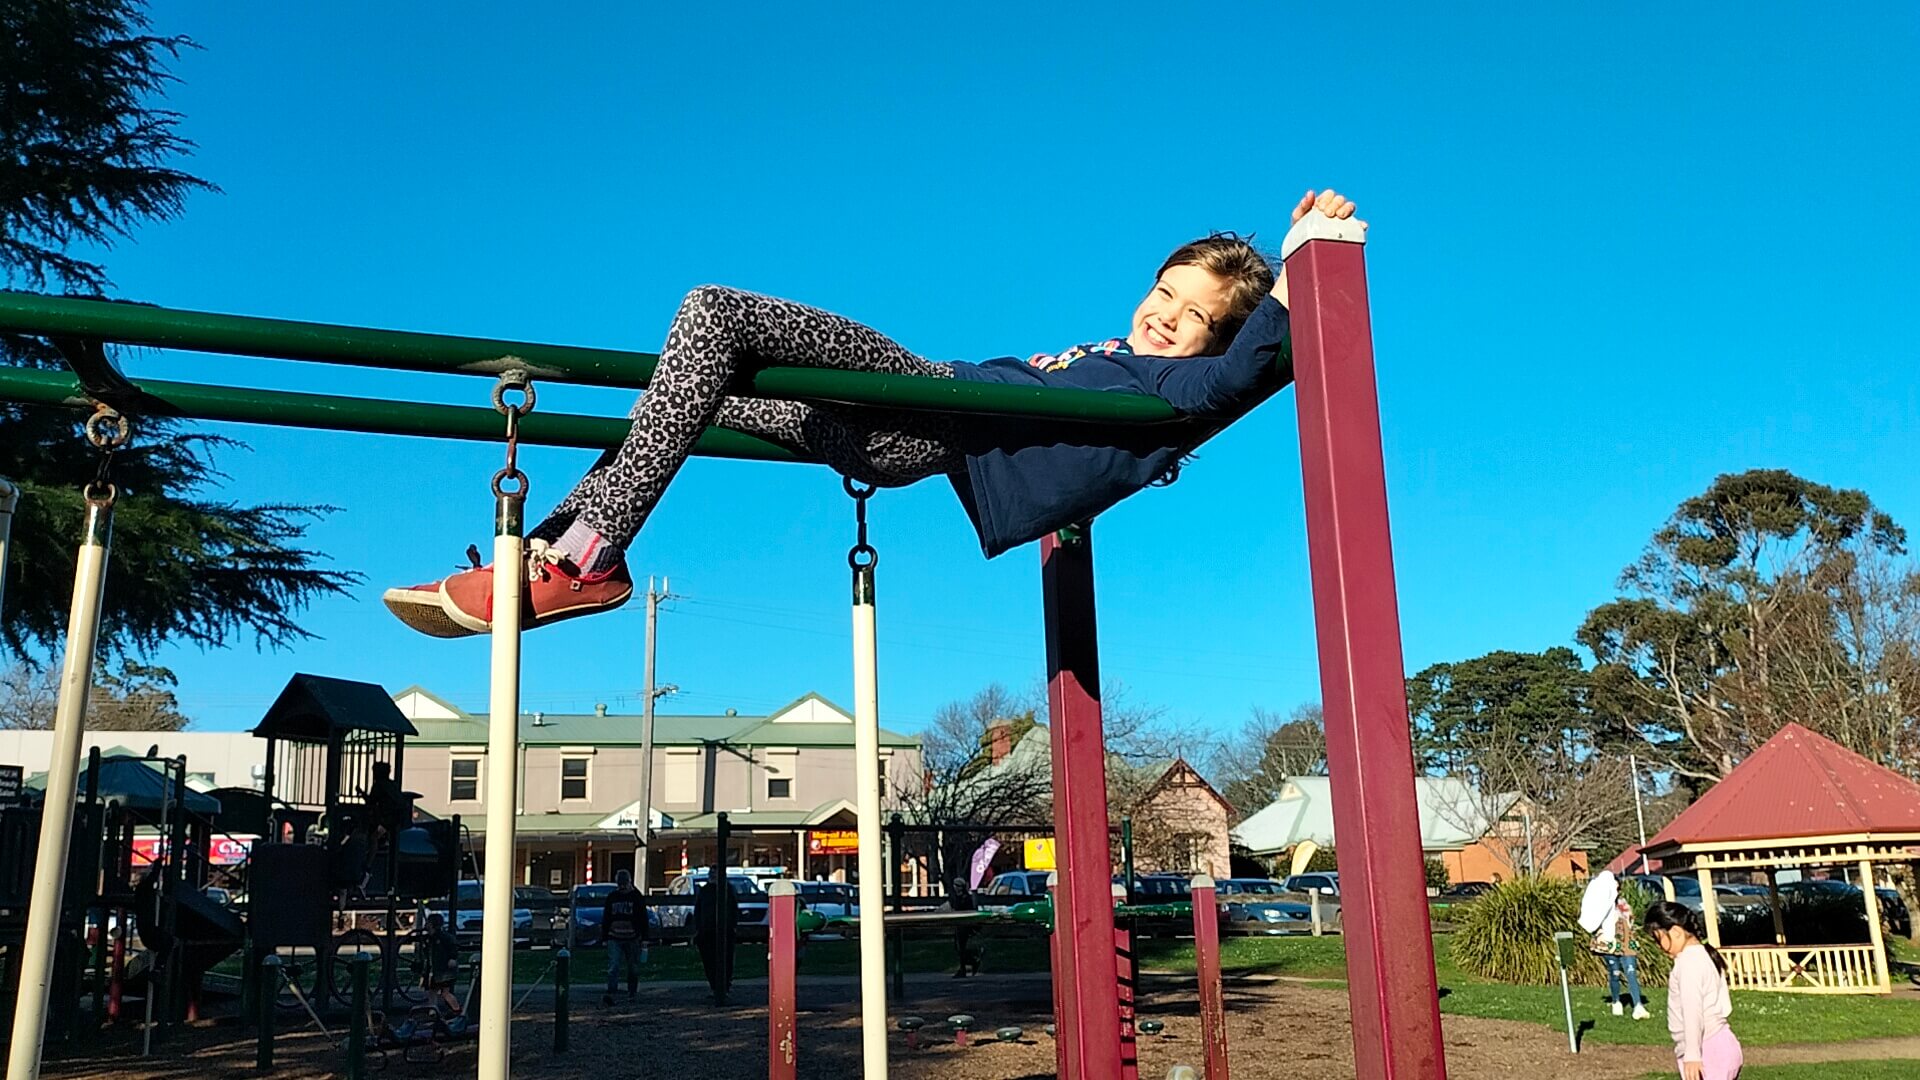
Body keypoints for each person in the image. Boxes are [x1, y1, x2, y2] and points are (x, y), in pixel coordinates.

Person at [384, 191, 1363, 636]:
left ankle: (585, 557)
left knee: (717, 311)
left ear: (1216, 343)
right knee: (676, 393)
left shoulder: (1170, 396)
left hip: (921, 413)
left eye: (1194, 318)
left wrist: (1299, 268)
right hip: (897, 424)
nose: (1165, 317)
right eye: (1165, 292)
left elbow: (1242, 381)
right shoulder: (1114, 357)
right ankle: (570, 552)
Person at [1644, 901, 1741, 1080]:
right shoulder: (1704, 956)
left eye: (1659, 939)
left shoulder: (1688, 963)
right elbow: (1723, 1004)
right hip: (1723, 1043)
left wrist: (1692, 1055)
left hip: (1708, 1051)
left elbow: (1692, 1009)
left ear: (1675, 932)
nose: (1659, 947)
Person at [1580, 871, 1650, 1020]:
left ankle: (1638, 1005)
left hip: (1626, 942)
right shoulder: (1600, 905)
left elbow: (1630, 919)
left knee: (1631, 971)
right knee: (1615, 972)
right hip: (1609, 942)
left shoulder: (1622, 904)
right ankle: (1616, 1000)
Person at [689, 868, 740, 1005]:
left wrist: (732, 926)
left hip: (725, 930)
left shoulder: (727, 890)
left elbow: (734, 909)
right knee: (709, 961)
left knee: (726, 960)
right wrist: (698, 929)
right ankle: (714, 986)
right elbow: (698, 910)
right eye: (711, 874)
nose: (713, 876)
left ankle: (724, 987)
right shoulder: (705, 891)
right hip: (707, 932)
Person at [600, 869, 649, 1005]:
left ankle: (632, 992)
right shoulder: (612, 897)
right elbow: (606, 917)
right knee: (613, 965)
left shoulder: (636, 897)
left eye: (624, 884)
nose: (622, 887)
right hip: (614, 936)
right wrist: (605, 936)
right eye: (620, 884)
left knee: (633, 966)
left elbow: (643, 918)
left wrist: (644, 938)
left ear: (629, 883)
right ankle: (612, 991)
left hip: (632, 937)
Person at [422, 912, 463, 1016]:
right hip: (439, 970)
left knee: (443, 992)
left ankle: (456, 1009)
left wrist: (452, 958)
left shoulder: (441, 937)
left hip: (443, 970)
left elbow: (453, 947)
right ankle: (434, 1010)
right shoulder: (437, 937)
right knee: (435, 991)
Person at [946, 875, 982, 977]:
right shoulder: (956, 898)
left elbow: (967, 911)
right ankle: (969, 963)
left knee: (961, 948)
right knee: (958, 948)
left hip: (965, 926)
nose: (955, 887)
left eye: (957, 885)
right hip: (958, 925)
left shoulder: (966, 898)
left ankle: (966, 966)